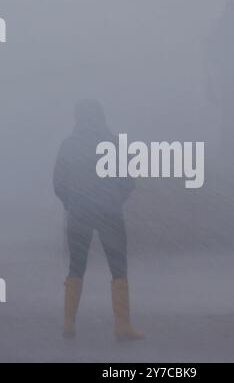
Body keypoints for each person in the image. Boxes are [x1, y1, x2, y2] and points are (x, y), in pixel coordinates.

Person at [53, 99, 143, 340]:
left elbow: (58, 183)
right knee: (118, 268)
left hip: (79, 212)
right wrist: (114, 199)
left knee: (76, 266)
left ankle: (69, 324)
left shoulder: (68, 145)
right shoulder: (113, 144)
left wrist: (71, 203)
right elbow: (128, 181)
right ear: (101, 116)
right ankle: (122, 326)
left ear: (77, 118)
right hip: (109, 212)